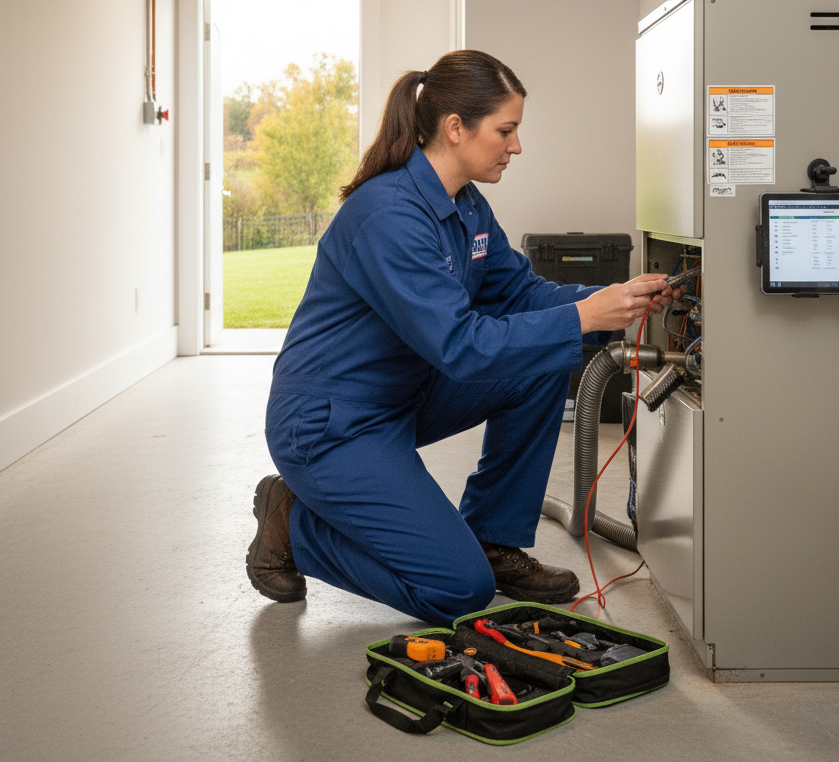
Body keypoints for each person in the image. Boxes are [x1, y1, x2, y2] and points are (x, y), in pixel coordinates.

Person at [246, 50, 677, 626]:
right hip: (331, 424)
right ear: (455, 128)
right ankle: (293, 525)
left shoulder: (466, 206)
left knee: (541, 361)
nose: (516, 146)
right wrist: (584, 316)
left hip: (402, 398)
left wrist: (613, 300)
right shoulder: (388, 215)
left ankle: (493, 539)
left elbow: (520, 293)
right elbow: (460, 346)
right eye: (505, 130)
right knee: (456, 589)